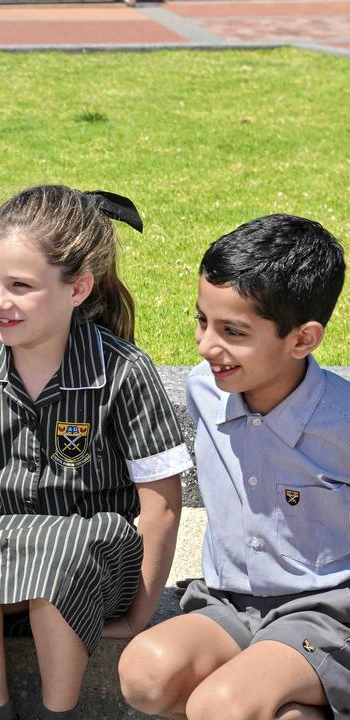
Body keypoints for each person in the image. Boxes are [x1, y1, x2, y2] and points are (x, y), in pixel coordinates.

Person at [0, 185, 192, 720]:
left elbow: (162, 504)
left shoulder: (124, 371)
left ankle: (57, 714)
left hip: (94, 570)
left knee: (60, 552)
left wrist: (137, 614)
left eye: (20, 286)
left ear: (78, 289)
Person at [118, 214, 349, 720]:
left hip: (328, 611)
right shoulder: (205, 388)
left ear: (303, 339)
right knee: (145, 674)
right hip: (229, 602)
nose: (206, 346)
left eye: (233, 331)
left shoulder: (344, 422)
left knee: (222, 706)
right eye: (202, 320)